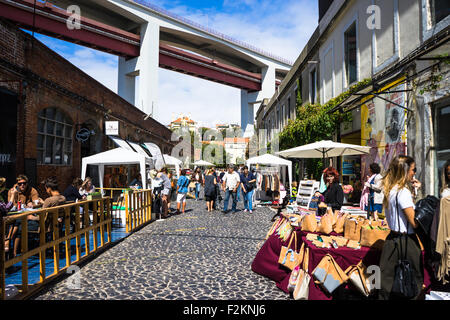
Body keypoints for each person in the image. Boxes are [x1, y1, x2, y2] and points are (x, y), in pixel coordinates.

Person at [379, 155, 423, 300]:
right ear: (404, 171)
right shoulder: (402, 192)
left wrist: (414, 192)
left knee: (387, 283)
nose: (414, 173)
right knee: (412, 283)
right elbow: (414, 222)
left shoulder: (391, 190)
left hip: (392, 240)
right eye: (413, 170)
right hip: (406, 242)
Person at [13, 177, 66, 258]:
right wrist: (43, 203)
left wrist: (31, 217)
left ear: (48, 188)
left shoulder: (49, 200)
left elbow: (42, 217)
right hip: (54, 224)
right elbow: (50, 210)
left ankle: (15, 252)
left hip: (44, 226)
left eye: (46, 189)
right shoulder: (63, 198)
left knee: (20, 226)